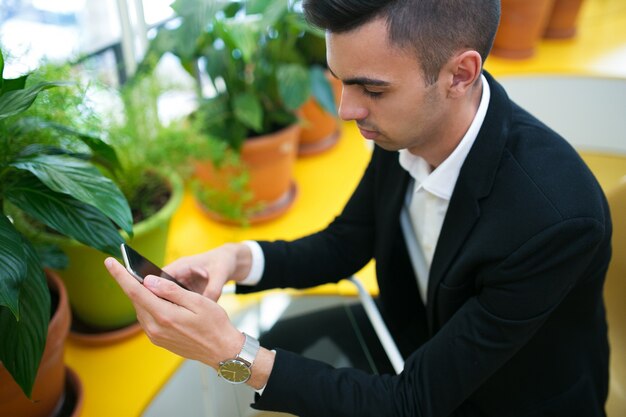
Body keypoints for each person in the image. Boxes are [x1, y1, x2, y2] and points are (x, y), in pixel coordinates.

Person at [105, 0, 612, 415]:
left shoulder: (555, 218)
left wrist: (234, 354)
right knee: (280, 346)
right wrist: (237, 259)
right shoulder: (405, 125)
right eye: (341, 81)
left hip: (504, 400)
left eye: (371, 88)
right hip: (411, 340)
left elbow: (413, 401)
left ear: (460, 73)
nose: (348, 110)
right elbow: (349, 239)